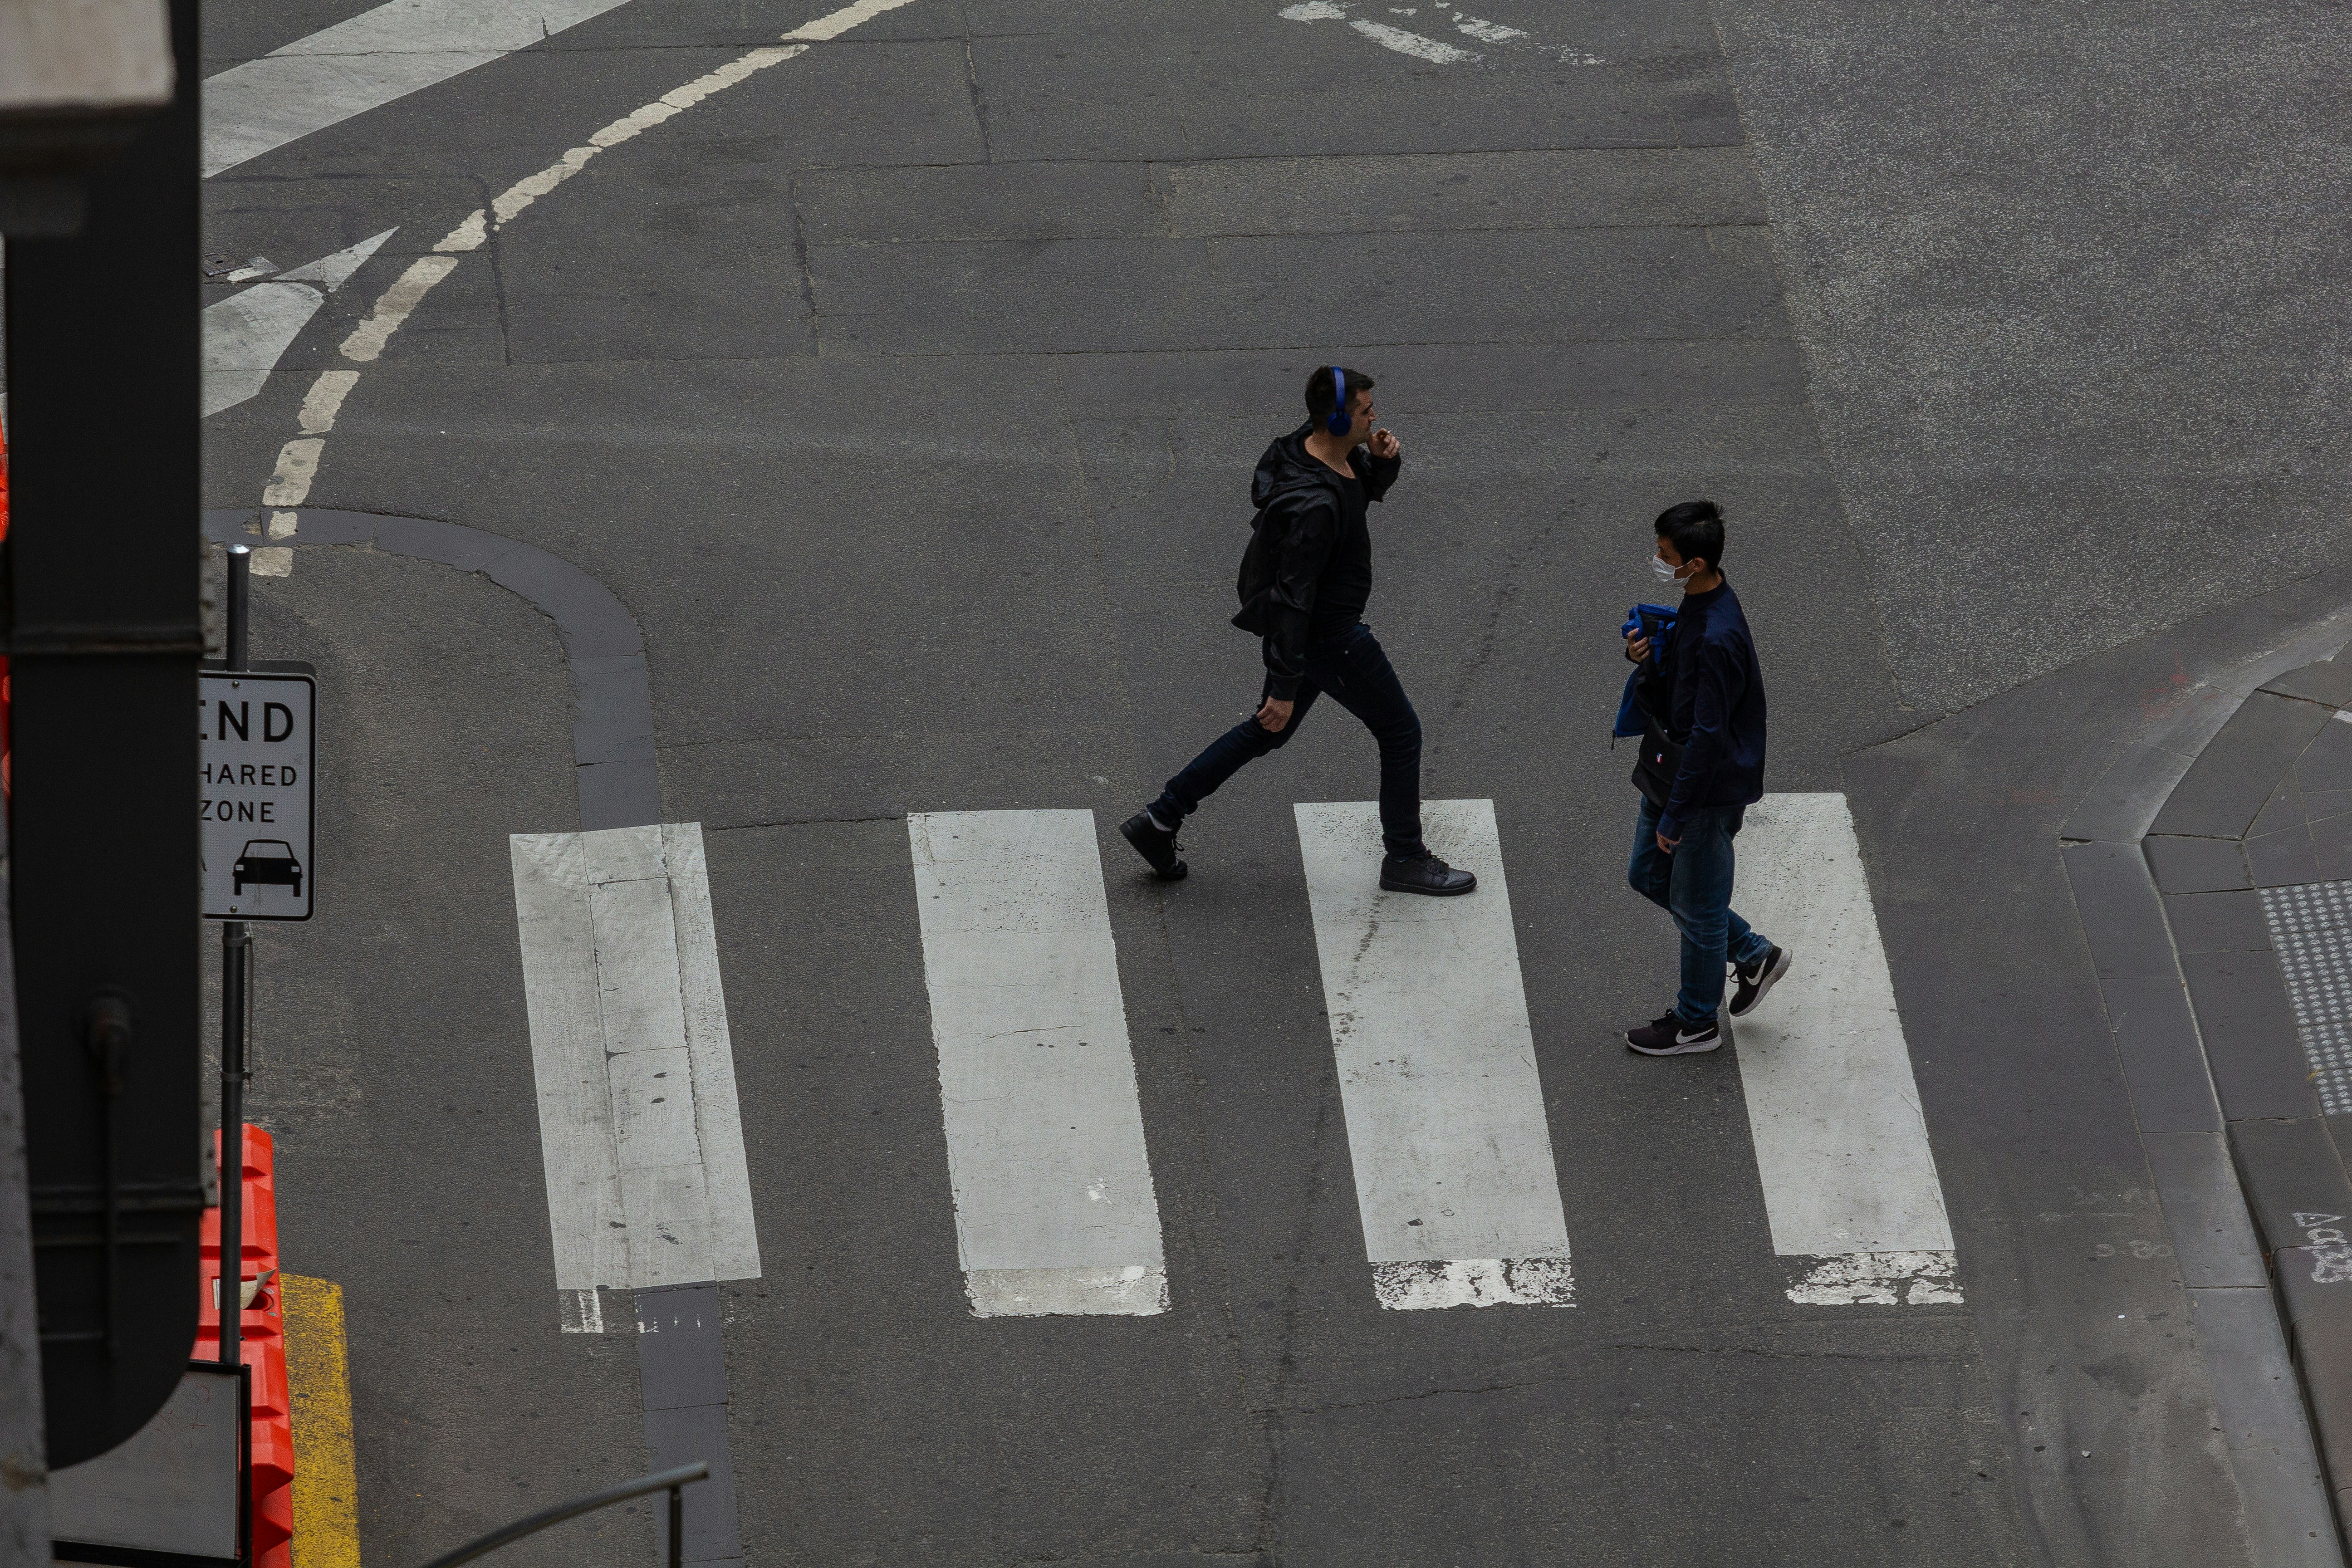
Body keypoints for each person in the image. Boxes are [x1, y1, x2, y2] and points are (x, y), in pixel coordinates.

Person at [1118, 367, 1475, 896]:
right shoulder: (1316, 507)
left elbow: (1360, 496)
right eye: (1363, 410)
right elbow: (1292, 599)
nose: (1374, 415)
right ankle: (1404, 858)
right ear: (1335, 418)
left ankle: (1161, 819)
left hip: (1316, 637)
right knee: (1401, 734)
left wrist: (1383, 463)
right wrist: (1284, 685)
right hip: (1331, 637)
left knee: (1268, 730)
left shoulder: (1313, 452)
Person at [1619, 500, 1789, 1054]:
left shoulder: (1718, 636)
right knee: (1648, 875)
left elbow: (1709, 737)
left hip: (1702, 791)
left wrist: (1678, 815)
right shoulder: (1699, 601)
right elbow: (1684, 697)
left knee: (1696, 910)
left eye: (1665, 555)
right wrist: (1647, 658)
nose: (1657, 561)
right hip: (1675, 776)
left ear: (1694, 563)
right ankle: (1753, 952)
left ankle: (1696, 1023)